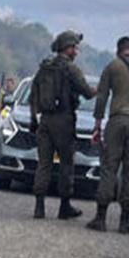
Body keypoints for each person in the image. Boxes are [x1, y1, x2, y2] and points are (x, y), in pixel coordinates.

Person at [29, 30, 96, 219]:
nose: (76, 51)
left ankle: (39, 207)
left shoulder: (44, 68)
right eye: (75, 47)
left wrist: (34, 119)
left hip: (45, 121)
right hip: (64, 121)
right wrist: (100, 89)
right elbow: (87, 93)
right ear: (68, 48)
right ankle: (64, 206)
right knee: (67, 164)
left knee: (44, 164)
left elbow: (33, 96)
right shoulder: (71, 69)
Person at [88, 36, 129, 234]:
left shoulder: (112, 67)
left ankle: (101, 218)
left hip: (117, 120)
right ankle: (124, 222)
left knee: (109, 168)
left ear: (118, 50)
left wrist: (97, 124)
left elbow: (102, 97)